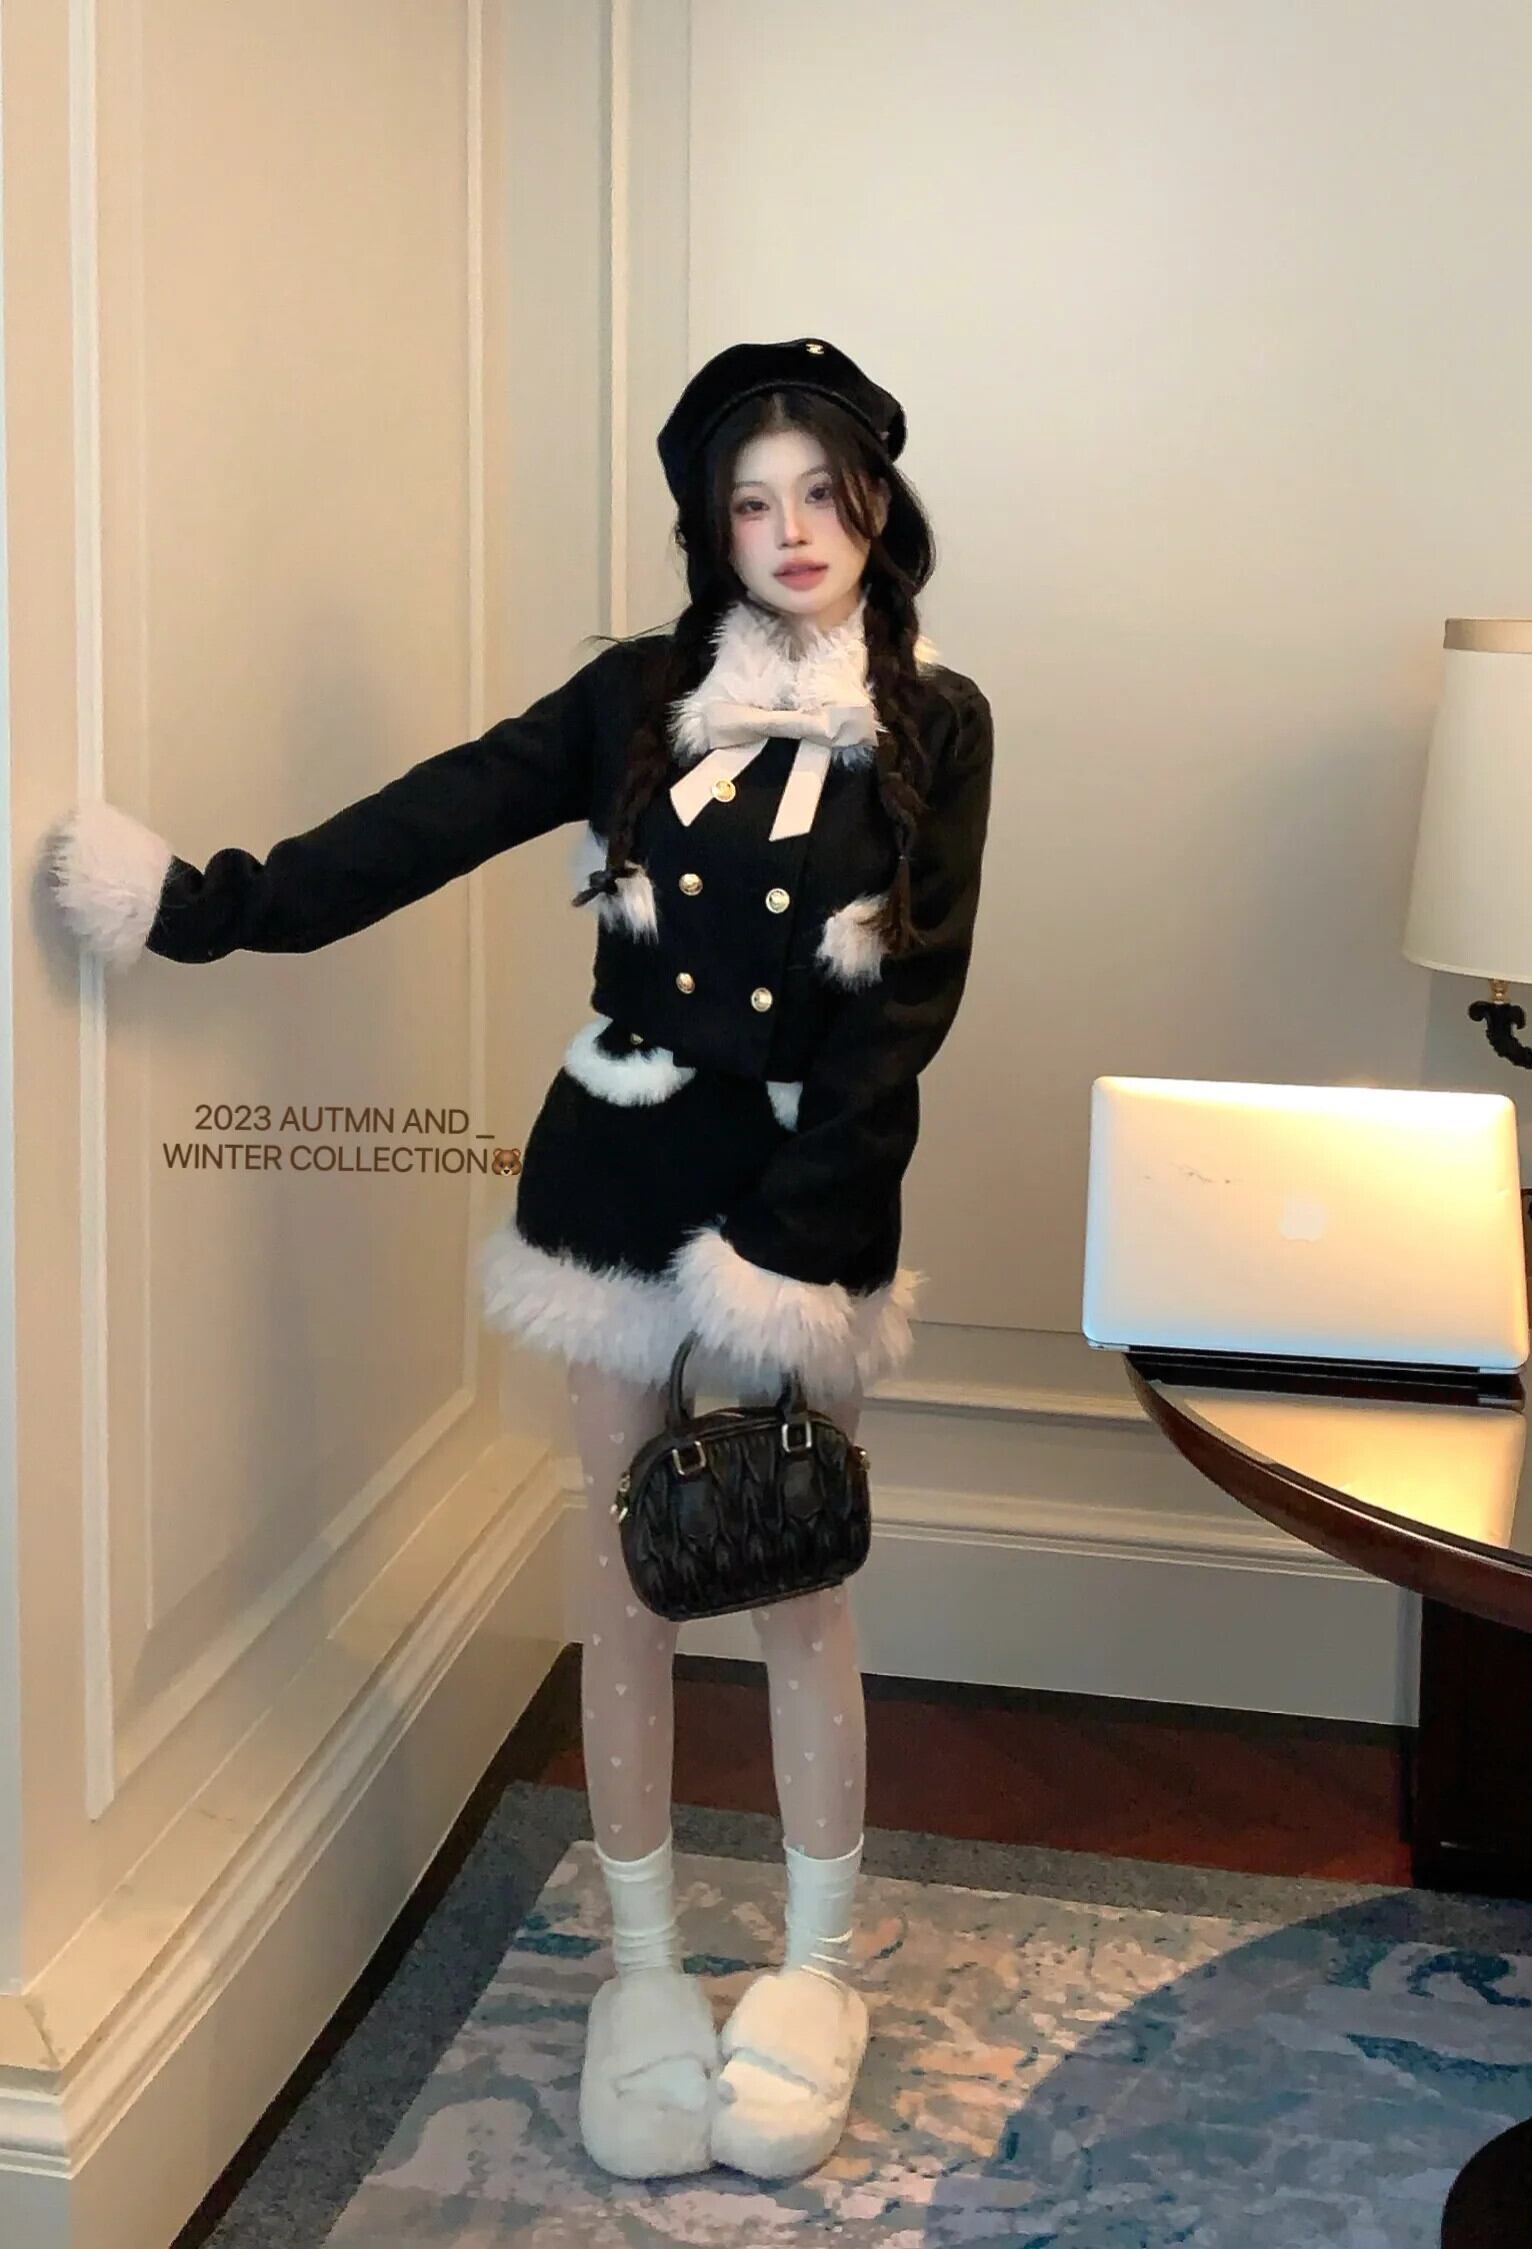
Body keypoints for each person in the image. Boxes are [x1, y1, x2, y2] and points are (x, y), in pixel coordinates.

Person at [44, 336, 996, 2185]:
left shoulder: (937, 725)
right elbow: (429, 818)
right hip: (615, 1169)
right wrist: (204, 908)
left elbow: (912, 1005)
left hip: (807, 1198)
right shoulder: (636, 696)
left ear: (877, 500)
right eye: (752, 502)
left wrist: (792, 1243)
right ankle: (641, 1970)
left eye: (822, 493)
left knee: (797, 1572)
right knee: (627, 1568)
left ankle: (814, 1971)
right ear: (709, 526)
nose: (793, 532)